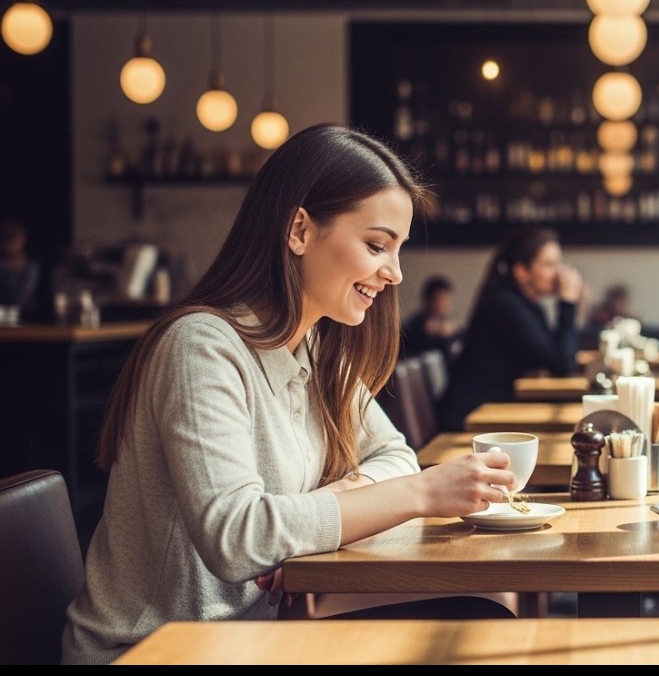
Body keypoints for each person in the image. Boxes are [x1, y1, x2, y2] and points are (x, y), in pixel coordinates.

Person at [61, 124, 523, 665]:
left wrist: (311, 519)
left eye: (397, 250)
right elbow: (238, 536)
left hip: (243, 643)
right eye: (377, 245)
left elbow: (394, 453)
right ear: (299, 230)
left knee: (482, 618)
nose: (395, 273)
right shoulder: (201, 346)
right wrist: (420, 494)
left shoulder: (317, 346)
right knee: (476, 631)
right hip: (155, 652)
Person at [438, 226, 585, 432]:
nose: (559, 273)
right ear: (522, 272)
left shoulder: (527, 304)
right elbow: (562, 365)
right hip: (470, 419)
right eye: (550, 264)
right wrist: (567, 303)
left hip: (494, 410)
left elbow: (553, 354)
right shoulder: (506, 305)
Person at [400, 274, 463, 361]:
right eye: (441, 300)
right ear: (429, 300)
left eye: (448, 300)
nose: (446, 304)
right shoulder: (416, 324)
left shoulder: (450, 327)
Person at [0, 215, 41, 318]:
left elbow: (22, 300)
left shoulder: (32, 267)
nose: (9, 241)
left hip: (27, 321)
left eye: (13, 236)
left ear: (22, 238)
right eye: (5, 236)